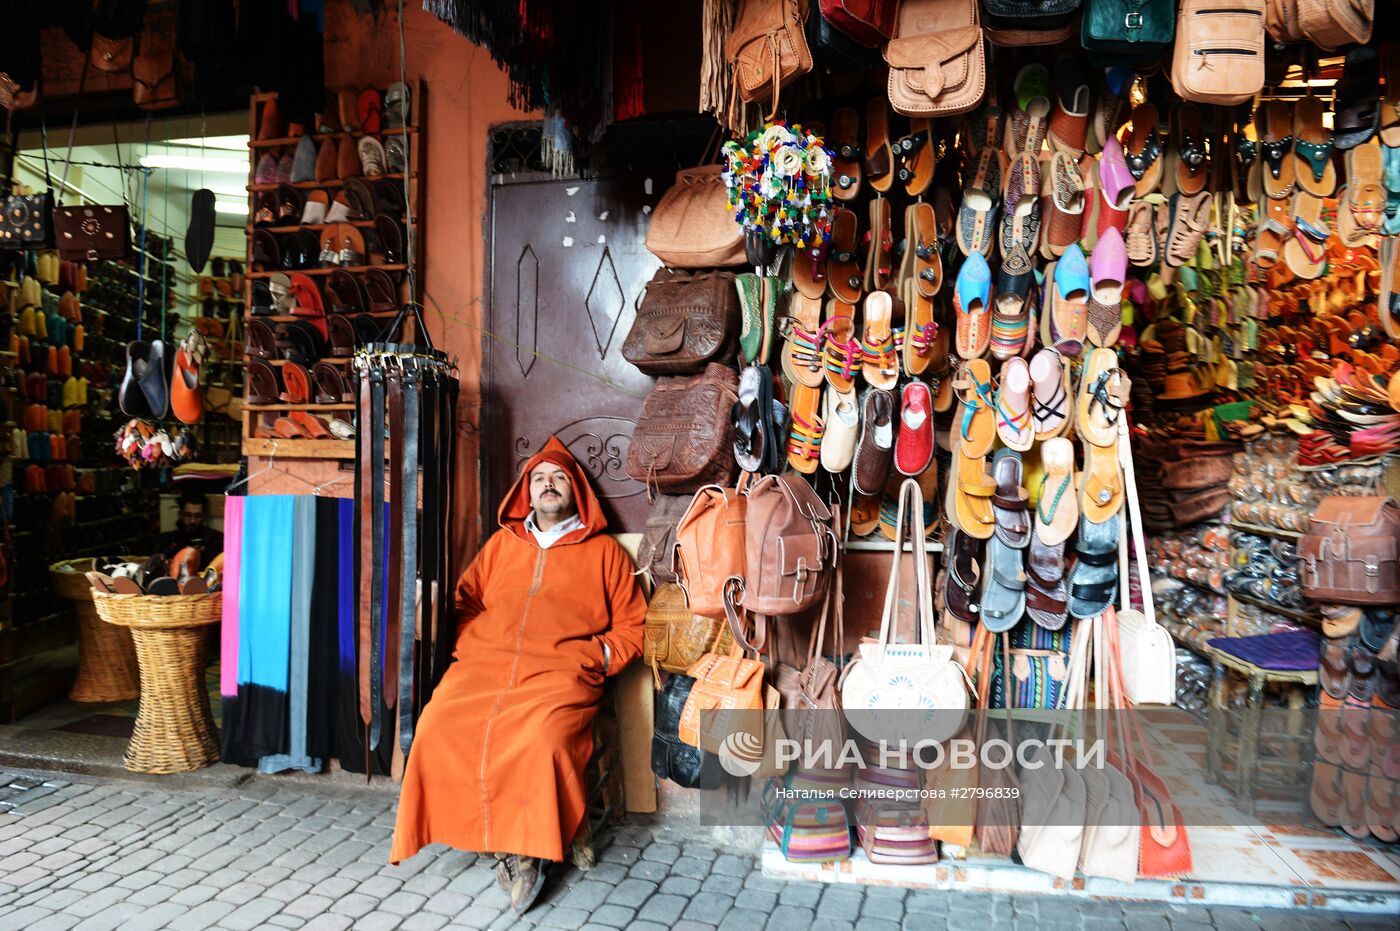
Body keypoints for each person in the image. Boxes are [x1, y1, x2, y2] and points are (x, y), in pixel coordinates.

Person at [390, 436, 646, 913]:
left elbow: (632, 628)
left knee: (542, 740)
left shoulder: (605, 553)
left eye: (559, 478)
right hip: (484, 667)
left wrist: (593, 659)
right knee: (436, 725)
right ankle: (483, 830)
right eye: (539, 478)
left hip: (560, 674)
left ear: (577, 491)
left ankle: (526, 853)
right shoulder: (501, 544)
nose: (548, 485)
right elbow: (466, 601)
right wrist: (470, 642)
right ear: (525, 492)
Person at [159, 490, 224, 562]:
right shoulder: (166, 540)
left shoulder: (215, 539)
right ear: (180, 515)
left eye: (198, 516)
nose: (192, 521)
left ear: (204, 516)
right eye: (188, 515)